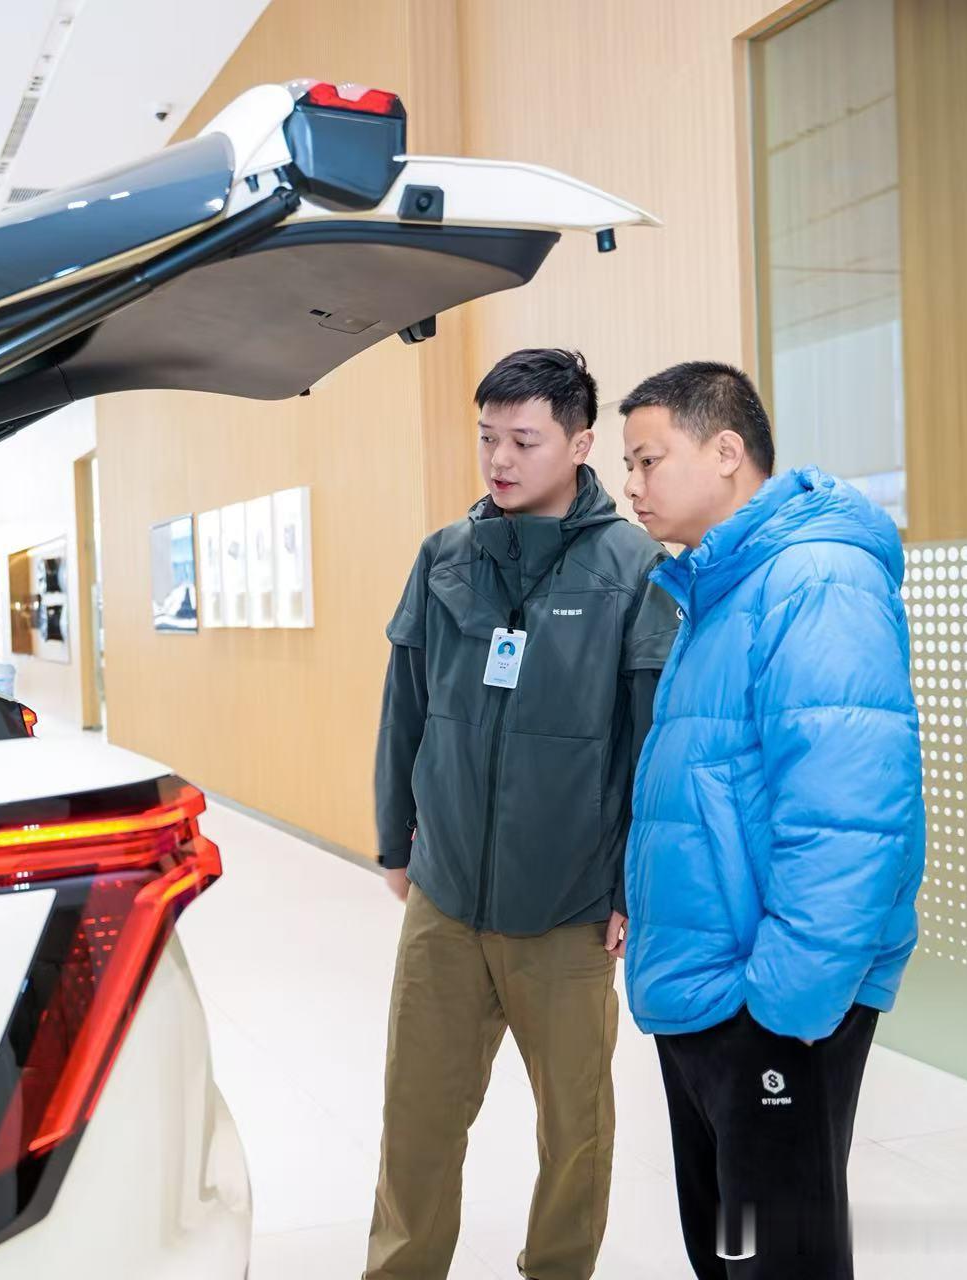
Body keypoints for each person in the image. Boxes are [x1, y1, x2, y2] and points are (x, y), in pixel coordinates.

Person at [367, 348, 678, 1280]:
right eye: (488, 438)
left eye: (524, 440)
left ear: (580, 444)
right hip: (447, 895)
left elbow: (648, 744)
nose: (500, 459)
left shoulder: (633, 568)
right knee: (416, 1117)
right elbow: (404, 708)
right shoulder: (445, 557)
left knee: (575, 1130)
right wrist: (393, 840)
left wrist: (629, 886)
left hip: (568, 905)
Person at [616, 362, 925, 1279]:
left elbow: (850, 813)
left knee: (779, 1259)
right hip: (711, 987)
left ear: (725, 452)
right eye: (628, 465)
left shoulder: (816, 579)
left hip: (769, 1004)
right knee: (730, 1247)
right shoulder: (722, 585)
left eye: (647, 459)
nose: (632, 485)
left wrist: (787, 1005)